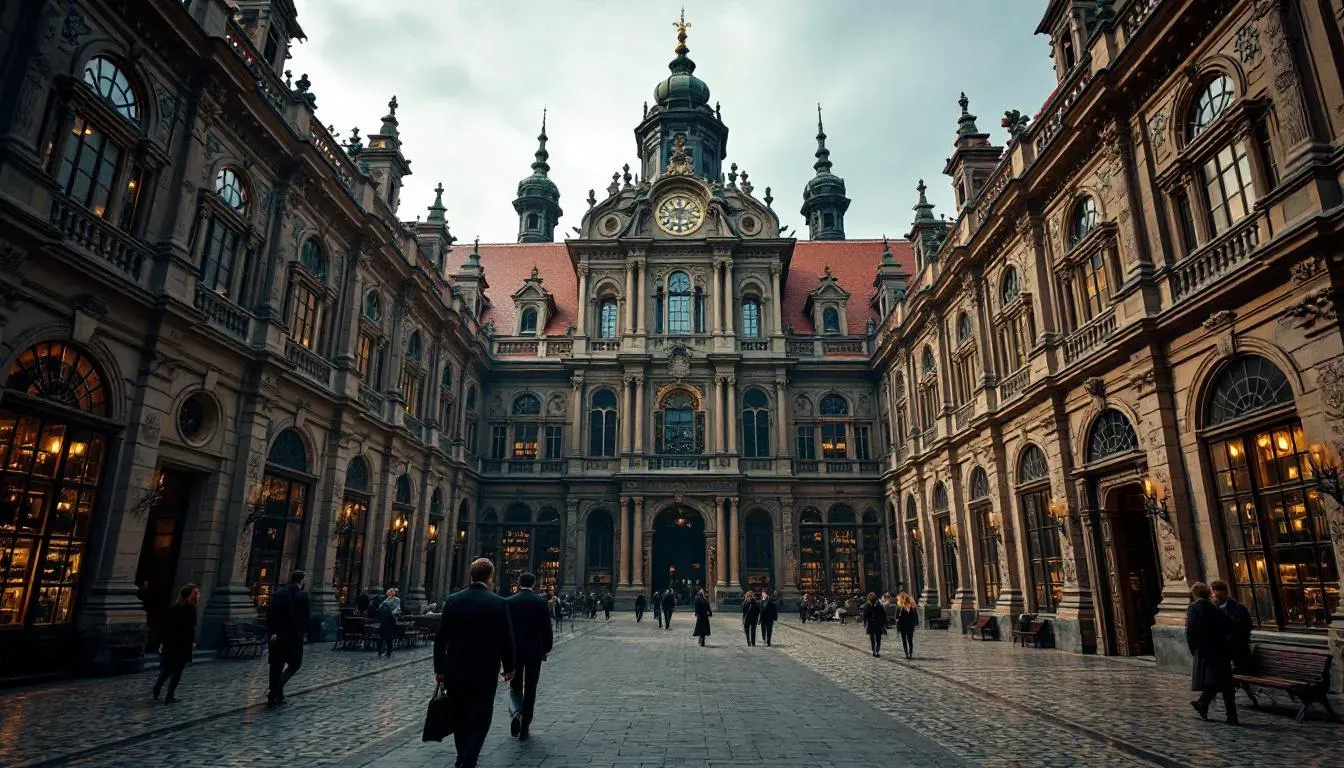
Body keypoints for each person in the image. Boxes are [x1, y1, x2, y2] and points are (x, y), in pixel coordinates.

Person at [435, 558, 516, 768]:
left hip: (455, 668)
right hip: (485, 669)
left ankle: (462, 754)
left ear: (471, 575)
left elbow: (441, 638)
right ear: (490, 577)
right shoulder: (498, 602)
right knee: (481, 715)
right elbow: (506, 638)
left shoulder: (453, 600)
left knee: (459, 712)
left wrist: (440, 669)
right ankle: (469, 758)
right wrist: (509, 667)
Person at [505, 572, 553, 741]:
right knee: (531, 687)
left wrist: (505, 654)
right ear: (534, 584)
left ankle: (516, 713)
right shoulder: (541, 602)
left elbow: (506, 630)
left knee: (515, 685)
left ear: (519, 583)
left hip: (515, 651)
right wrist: (546, 649)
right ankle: (525, 726)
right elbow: (546, 628)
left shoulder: (509, 602)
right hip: (534, 651)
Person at [1186, 581, 1238, 725]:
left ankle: (1203, 704)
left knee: (1214, 679)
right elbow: (1228, 626)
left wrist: (1194, 648)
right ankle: (1231, 715)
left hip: (1206, 649)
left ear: (1195, 594)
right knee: (1225, 681)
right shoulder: (1215, 608)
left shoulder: (1194, 608)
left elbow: (1191, 630)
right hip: (1221, 648)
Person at [266, 570, 310, 706]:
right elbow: (305, 618)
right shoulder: (303, 595)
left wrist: (272, 632)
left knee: (276, 666)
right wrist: (304, 633)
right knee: (295, 664)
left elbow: (270, 615)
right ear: (302, 580)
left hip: (277, 636)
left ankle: (276, 696)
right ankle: (275, 690)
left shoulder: (277, 594)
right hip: (293, 636)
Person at [152, 583, 198, 703]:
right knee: (176, 671)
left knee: (169, 669)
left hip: (172, 642)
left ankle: (159, 688)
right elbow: (191, 628)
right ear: (189, 595)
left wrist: (163, 641)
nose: (197, 596)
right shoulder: (191, 609)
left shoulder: (174, 608)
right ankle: (168, 695)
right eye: (195, 594)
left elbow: (166, 626)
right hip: (182, 643)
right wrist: (192, 641)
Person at [1211, 579, 1252, 672]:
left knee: (1241, 671)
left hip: (1237, 649)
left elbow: (1246, 627)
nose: (1213, 595)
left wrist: (1231, 638)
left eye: (1214, 592)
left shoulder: (1238, 607)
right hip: (1221, 650)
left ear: (1221, 592)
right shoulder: (1213, 608)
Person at [377, 587, 402, 657]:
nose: (389, 594)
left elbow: (397, 609)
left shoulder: (389, 600)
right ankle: (384, 652)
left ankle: (386, 652)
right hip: (389, 620)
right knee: (386, 638)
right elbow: (397, 609)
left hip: (387, 620)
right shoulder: (388, 600)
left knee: (386, 638)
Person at [861, 592, 887, 657]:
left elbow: (865, 616)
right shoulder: (879, 605)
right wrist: (884, 623)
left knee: (872, 638)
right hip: (878, 623)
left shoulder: (867, 606)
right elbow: (883, 615)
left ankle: (874, 651)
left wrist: (864, 623)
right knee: (878, 638)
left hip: (871, 624)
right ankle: (877, 650)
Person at [895, 592, 918, 659]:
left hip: (909, 626)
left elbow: (914, 616)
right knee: (905, 640)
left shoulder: (911, 606)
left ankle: (910, 653)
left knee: (909, 640)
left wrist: (914, 623)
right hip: (903, 627)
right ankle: (907, 653)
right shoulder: (900, 608)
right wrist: (898, 628)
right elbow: (897, 618)